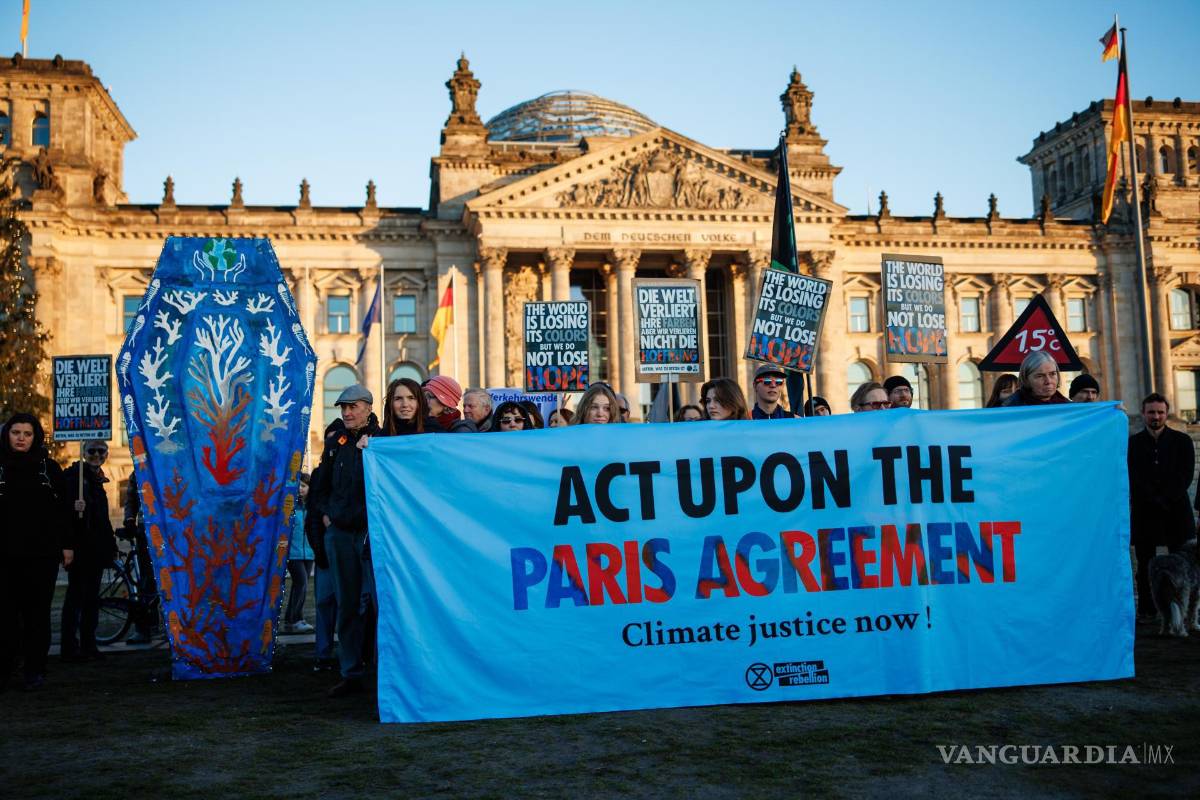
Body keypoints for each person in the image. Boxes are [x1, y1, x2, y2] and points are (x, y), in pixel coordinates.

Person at [308, 385, 381, 697]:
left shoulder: (382, 439)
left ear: (367, 407)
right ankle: (351, 672)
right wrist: (327, 515)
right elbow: (320, 485)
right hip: (339, 534)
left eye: (353, 406)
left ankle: (380, 673)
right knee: (347, 606)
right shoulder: (335, 442)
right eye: (343, 407)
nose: (347, 412)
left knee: (377, 606)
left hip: (370, 534)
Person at [0, 413, 71, 691]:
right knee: (5, 614)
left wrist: (67, 545)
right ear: (7, 435)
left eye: (27, 433)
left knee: (37, 614)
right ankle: (5, 667)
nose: (21, 438)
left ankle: (35, 669)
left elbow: (63, 510)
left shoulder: (48, 469)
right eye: (15, 432)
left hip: (41, 555)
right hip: (4, 555)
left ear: (35, 437)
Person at [1128, 393, 1194, 621]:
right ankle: (1147, 608)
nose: (1156, 416)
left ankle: (1181, 610)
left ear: (1166, 413)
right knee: (1145, 564)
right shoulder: (1132, 444)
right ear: (1144, 413)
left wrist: (1165, 498)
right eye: (1151, 412)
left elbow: (1185, 474)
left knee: (1183, 565)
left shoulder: (1183, 441)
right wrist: (1151, 498)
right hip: (1145, 512)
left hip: (1176, 511)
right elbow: (1133, 476)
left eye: (1160, 412)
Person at [61, 440, 118, 662]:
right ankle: (70, 647)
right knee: (76, 598)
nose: (96, 455)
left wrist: (111, 546)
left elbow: (103, 520)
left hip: (95, 550)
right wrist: (68, 545)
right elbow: (66, 516)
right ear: (84, 453)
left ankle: (88, 644)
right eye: (91, 451)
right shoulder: (75, 478)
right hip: (80, 549)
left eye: (100, 451)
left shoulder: (97, 480)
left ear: (106, 453)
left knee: (91, 599)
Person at [121, 475, 159, 645]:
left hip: (169, 527)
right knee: (147, 580)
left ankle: (155, 623)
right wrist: (129, 519)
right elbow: (131, 498)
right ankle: (143, 628)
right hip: (146, 530)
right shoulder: (139, 470)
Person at [281, 473, 314, 635]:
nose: (300, 489)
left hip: (309, 553)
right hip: (293, 553)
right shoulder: (289, 506)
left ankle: (289, 620)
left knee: (298, 585)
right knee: (302, 583)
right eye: (298, 485)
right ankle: (297, 619)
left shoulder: (312, 506)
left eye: (304, 486)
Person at [1001, 351, 1069, 406]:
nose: (1048, 381)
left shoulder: (1070, 408)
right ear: (1026, 379)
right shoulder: (1010, 409)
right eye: (1040, 376)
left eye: (1052, 374)